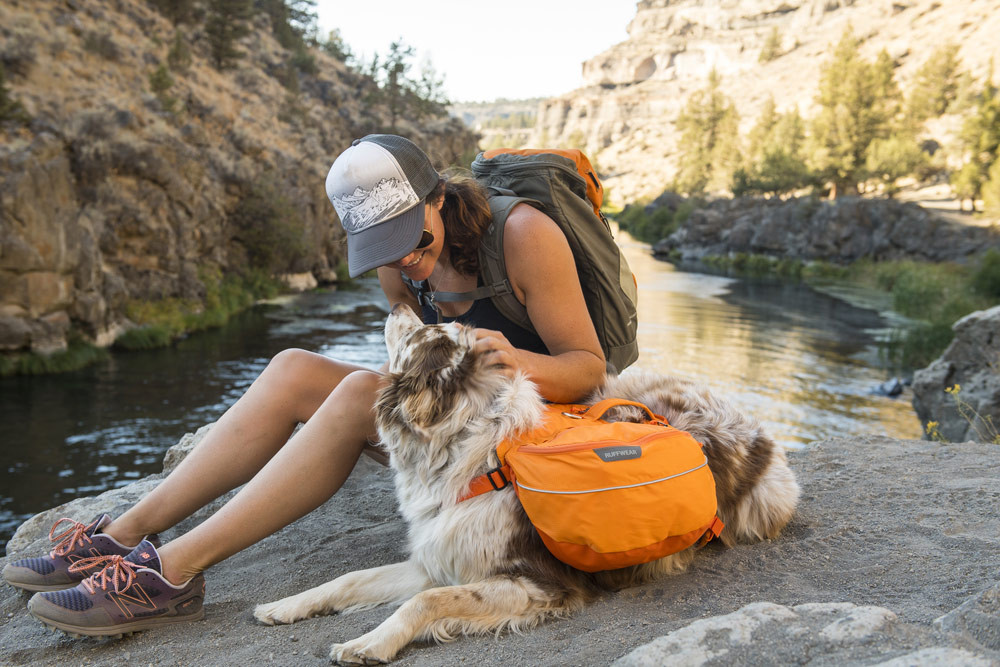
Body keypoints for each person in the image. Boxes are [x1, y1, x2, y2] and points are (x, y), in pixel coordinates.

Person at [4, 134, 607, 636]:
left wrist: (512, 358)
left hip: (551, 430)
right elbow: (411, 374)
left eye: (415, 242)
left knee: (353, 398)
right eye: (386, 252)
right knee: (293, 365)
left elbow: (589, 370)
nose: (406, 265)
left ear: (440, 198)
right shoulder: (399, 264)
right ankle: (120, 535)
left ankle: (172, 573)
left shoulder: (524, 233)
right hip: (466, 432)